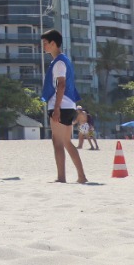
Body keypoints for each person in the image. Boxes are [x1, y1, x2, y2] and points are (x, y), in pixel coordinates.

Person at [41, 30, 88, 184]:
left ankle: (62, 177)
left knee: (58, 142)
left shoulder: (59, 62)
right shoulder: (64, 60)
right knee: (66, 142)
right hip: (69, 104)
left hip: (60, 105)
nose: (44, 46)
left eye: (45, 43)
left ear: (53, 43)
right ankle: (81, 176)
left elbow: (61, 84)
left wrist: (56, 108)